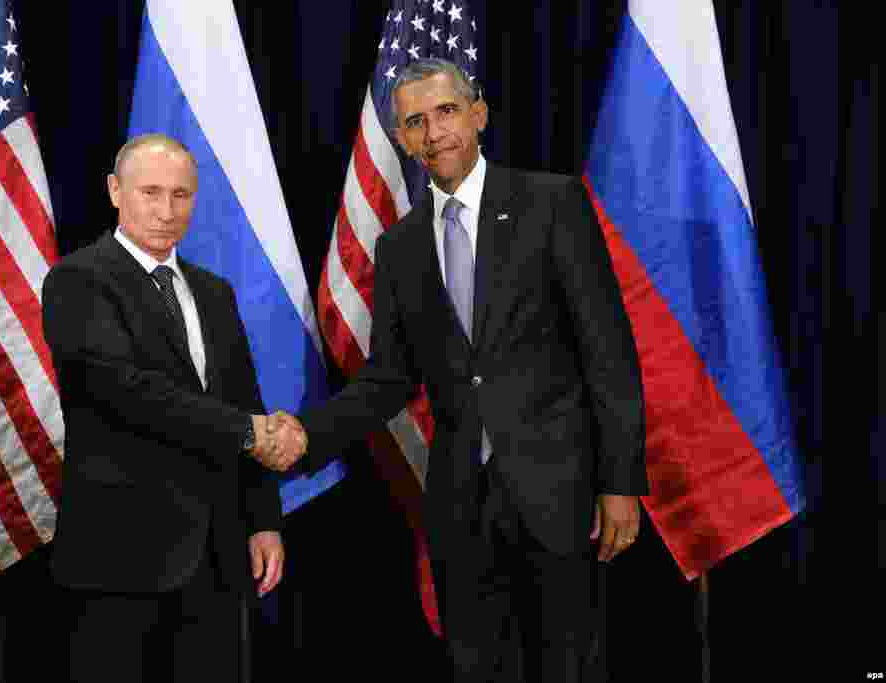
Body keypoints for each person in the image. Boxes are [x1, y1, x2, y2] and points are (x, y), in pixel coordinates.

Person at [268, 58, 647, 682]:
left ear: (479, 115)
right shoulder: (399, 247)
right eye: (416, 122)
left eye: (446, 112)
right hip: (460, 503)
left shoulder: (552, 203)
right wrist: (310, 436)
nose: (435, 131)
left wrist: (620, 481)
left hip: (558, 492)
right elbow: (388, 377)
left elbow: (606, 349)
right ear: (403, 139)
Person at [41, 133, 304, 682]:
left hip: (218, 554)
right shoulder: (78, 280)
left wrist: (262, 521)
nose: (166, 211)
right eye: (150, 192)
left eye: (181, 195)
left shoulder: (214, 292)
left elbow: (245, 402)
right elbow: (127, 392)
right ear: (116, 191)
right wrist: (249, 430)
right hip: (120, 558)